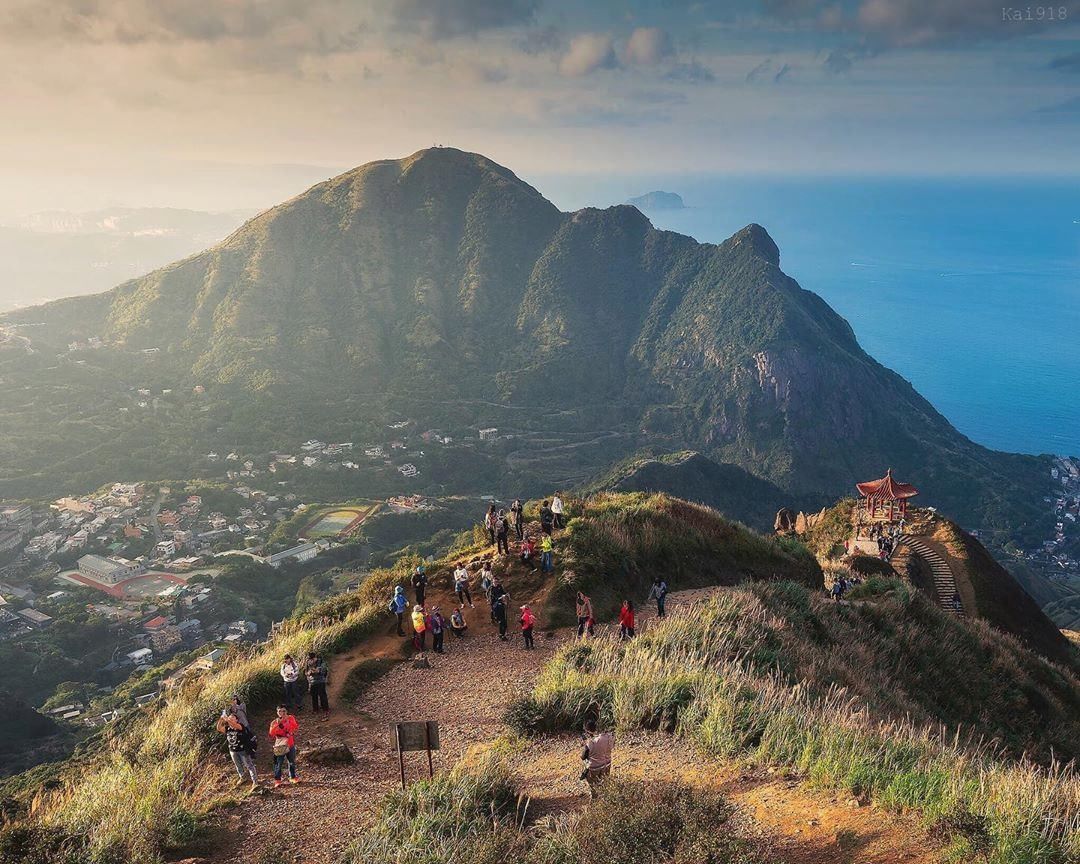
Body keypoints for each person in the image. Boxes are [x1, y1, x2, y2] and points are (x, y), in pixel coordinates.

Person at [217, 712, 258, 790]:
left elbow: (234, 725)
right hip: (233, 750)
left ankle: (255, 782)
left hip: (242, 750)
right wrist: (221, 719)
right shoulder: (228, 728)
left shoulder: (240, 726)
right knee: (238, 766)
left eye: (233, 718)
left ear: (237, 720)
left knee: (249, 766)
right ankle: (242, 777)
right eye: (230, 717)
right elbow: (219, 728)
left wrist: (227, 719)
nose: (231, 719)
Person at [269, 705, 299, 788]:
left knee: (292, 761)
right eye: (280, 711)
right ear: (277, 712)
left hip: (290, 743)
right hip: (280, 745)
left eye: (284, 711)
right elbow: (271, 733)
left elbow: (295, 727)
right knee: (278, 763)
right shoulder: (274, 722)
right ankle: (277, 780)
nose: (282, 713)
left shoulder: (291, 718)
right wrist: (279, 723)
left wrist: (287, 721)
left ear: (286, 711)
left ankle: (292, 777)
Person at [580, 720, 613, 797]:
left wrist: (584, 744)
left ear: (587, 731)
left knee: (593, 785)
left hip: (594, 768)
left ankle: (594, 796)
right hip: (607, 764)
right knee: (604, 782)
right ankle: (606, 796)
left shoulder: (590, 743)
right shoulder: (608, 737)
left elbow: (583, 757)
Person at [305, 652, 329, 718]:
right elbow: (306, 672)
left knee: (322, 696)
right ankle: (315, 709)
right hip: (312, 682)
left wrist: (316, 671)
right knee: (314, 696)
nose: (312, 660)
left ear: (316, 657)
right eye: (310, 659)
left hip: (320, 681)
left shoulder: (321, 662)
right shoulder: (308, 663)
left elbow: (323, 671)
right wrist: (308, 673)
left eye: (313, 659)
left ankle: (325, 709)